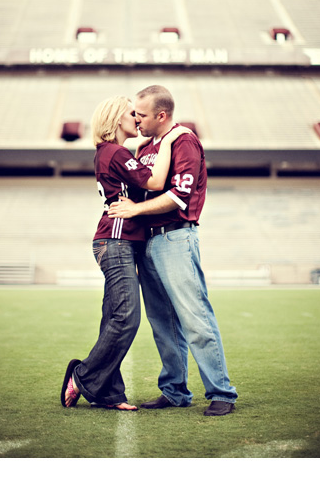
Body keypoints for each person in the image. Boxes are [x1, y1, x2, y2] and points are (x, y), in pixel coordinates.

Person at [108, 84, 237, 416]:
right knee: (161, 322)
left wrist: (134, 210)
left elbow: (179, 195)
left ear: (161, 115)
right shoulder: (147, 146)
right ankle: (175, 390)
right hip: (148, 240)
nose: (136, 119)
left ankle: (221, 391)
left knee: (194, 317)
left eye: (142, 114)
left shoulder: (183, 140)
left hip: (175, 237)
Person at [62, 96, 189, 411]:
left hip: (119, 241)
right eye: (131, 113)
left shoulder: (114, 153)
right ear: (116, 119)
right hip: (115, 242)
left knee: (112, 318)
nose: (137, 117)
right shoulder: (115, 152)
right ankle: (82, 377)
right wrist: (170, 138)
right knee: (126, 318)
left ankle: (109, 393)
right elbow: (157, 181)